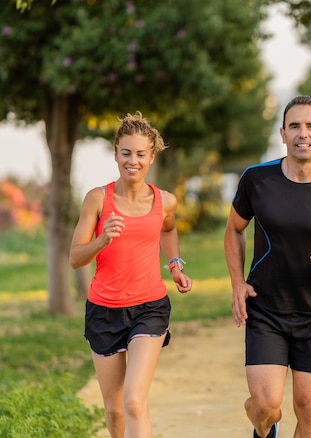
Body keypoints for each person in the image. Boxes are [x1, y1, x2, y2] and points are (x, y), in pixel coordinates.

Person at [224, 95, 311, 438]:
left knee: (308, 407)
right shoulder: (256, 179)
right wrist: (237, 283)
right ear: (283, 134)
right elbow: (234, 230)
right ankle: (263, 428)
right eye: (295, 126)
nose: (303, 133)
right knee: (265, 406)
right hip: (266, 309)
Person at [69, 112, 192, 438]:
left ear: (152, 155)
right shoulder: (98, 199)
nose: (132, 161)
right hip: (103, 311)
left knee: (134, 401)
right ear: (115, 154)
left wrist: (175, 264)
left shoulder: (165, 201)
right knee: (115, 409)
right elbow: (75, 259)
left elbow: (168, 229)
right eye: (126, 152)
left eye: (140, 154)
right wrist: (102, 239)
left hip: (149, 307)